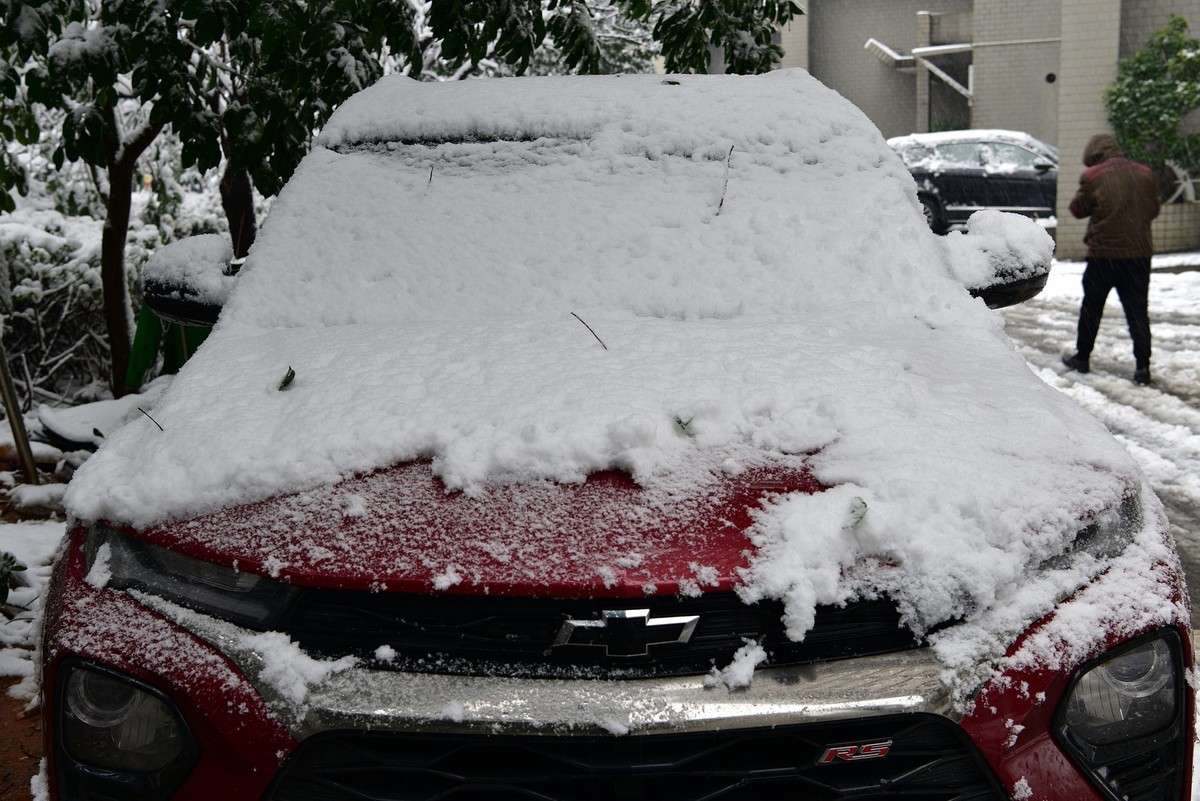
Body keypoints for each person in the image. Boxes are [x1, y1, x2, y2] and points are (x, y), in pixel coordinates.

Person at [1062, 133, 1161, 385]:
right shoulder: (1144, 173)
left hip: (1103, 257)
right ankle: (1142, 367)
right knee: (1138, 311)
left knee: (1092, 308)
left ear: (1094, 154)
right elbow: (1154, 210)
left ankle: (1082, 358)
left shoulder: (1093, 176)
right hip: (1138, 256)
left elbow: (1077, 210)